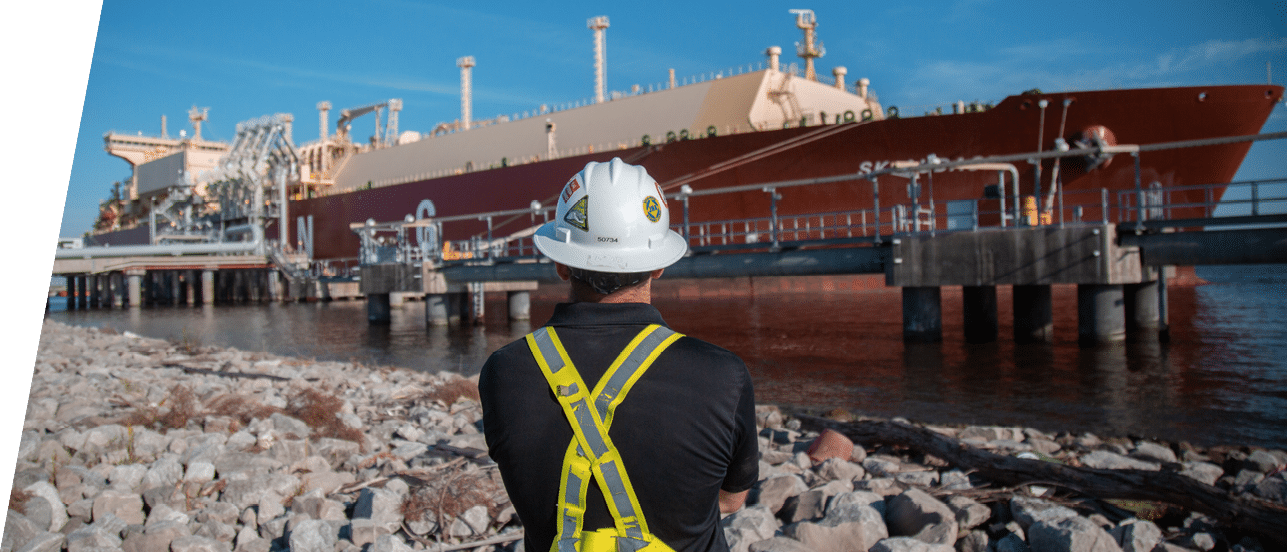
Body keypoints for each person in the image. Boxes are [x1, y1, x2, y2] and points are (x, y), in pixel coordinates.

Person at [479, 158, 758, 552]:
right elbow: (730, 500)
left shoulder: (502, 372)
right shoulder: (723, 375)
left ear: (561, 263)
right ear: (658, 264)